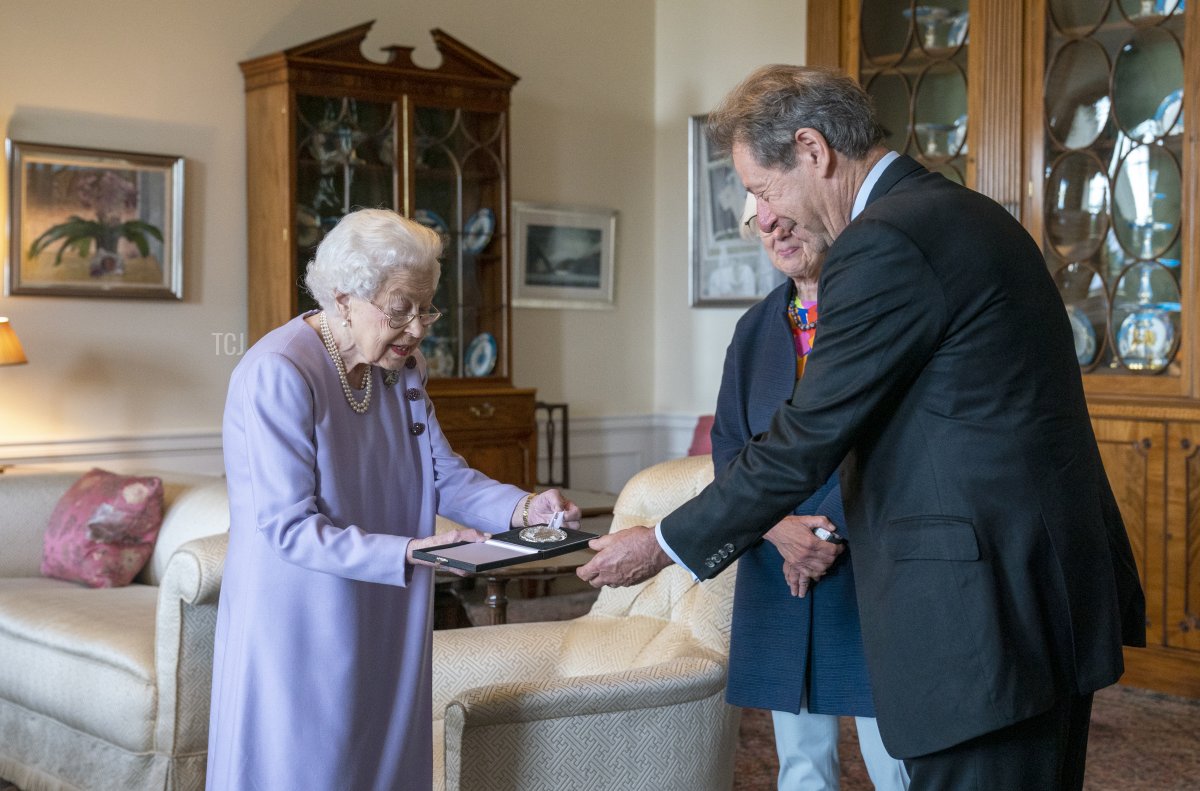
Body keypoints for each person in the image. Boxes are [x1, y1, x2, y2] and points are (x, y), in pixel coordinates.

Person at [578, 65, 1145, 790]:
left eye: (760, 188)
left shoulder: (885, 242)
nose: (760, 211)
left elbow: (807, 433)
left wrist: (662, 543)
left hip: (980, 620)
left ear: (812, 150)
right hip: (1037, 596)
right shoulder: (961, 213)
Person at [206, 208, 580, 791]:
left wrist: (523, 508)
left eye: (426, 308)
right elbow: (287, 527)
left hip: (387, 603)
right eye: (400, 308)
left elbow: (442, 474)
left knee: (383, 763)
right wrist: (410, 551)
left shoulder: (400, 366)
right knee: (310, 769)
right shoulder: (278, 371)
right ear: (343, 298)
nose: (417, 329)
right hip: (303, 616)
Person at [717, 193, 909, 790]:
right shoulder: (753, 329)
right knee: (800, 761)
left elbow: (897, 441)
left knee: (895, 758)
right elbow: (729, 447)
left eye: (784, 217)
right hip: (777, 562)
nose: (774, 231)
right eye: (761, 223)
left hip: (868, 559)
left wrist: (822, 531)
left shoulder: (877, 311)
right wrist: (777, 527)